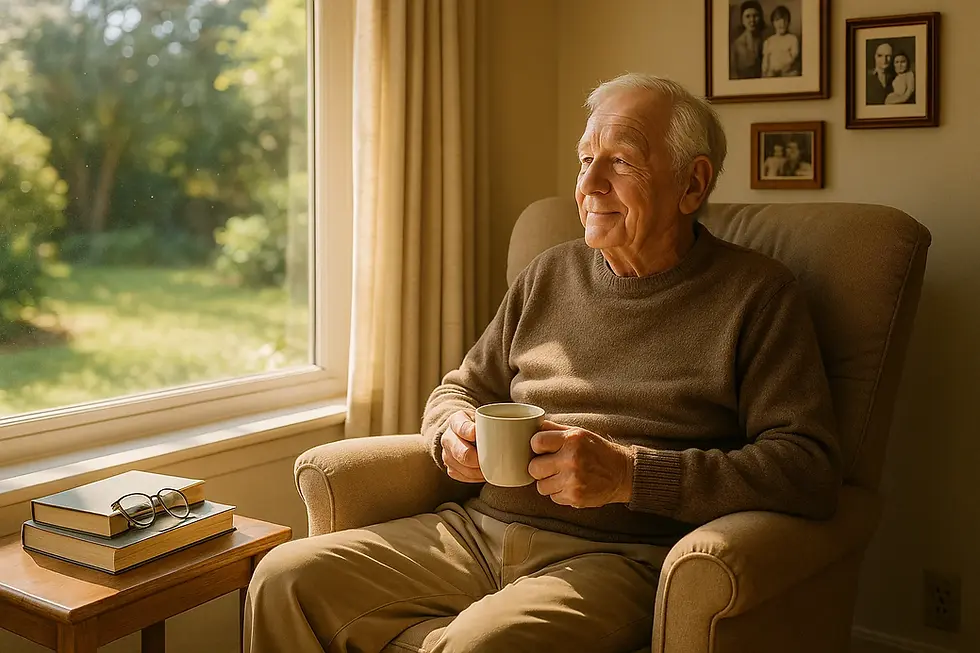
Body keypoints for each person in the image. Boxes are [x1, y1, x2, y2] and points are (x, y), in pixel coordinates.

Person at [243, 73, 842, 653]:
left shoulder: (757, 295)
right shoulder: (550, 274)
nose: (589, 185)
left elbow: (806, 468)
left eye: (621, 161)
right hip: (473, 533)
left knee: (477, 646)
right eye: (586, 160)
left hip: (617, 558)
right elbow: (458, 390)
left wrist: (631, 474)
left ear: (692, 185)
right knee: (284, 578)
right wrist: (450, 437)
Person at [729, 0, 767, 79]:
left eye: (755, 16)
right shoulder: (735, 47)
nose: (752, 20)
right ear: (742, 20)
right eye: (747, 16)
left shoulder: (765, 42)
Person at [762, 5, 800, 77]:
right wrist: (765, 71)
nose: (781, 24)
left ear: (789, 22)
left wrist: (785, 68)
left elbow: (794, 57)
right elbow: (765, 61)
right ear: (773, 22)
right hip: (772, 72)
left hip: (788, 71)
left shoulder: (792, 39)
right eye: (777, 20)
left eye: (785, 20)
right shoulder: (769, 41)